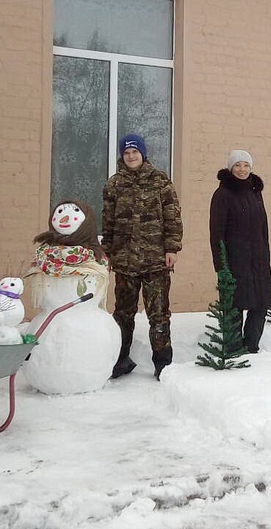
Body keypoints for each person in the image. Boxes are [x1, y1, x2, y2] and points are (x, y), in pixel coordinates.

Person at [101, 134, 183, 380]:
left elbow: (173, 217)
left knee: (158, 315)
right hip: (124, 261)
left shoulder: (160, 181)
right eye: (126, 153)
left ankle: (163, 364)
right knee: (122, 314)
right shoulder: (114, 184)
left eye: (135, 152)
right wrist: (108, 252)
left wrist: (172, 249)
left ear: (143, 154)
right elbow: (108, 222)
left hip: (155, 261)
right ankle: (120, 359)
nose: (131, 156)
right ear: (122, 156)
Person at [209, 149, 271, 353]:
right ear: (231, 168)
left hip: (258, 260)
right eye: (237, 165)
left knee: (260, 305)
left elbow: (263, 229)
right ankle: (234, 350)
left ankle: (252, 347)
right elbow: (216, 233)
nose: (242, 169)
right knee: (234, 306)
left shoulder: (255, 192)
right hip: (235, 261)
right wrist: (221, 266)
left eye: (246, 165)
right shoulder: (223, 194)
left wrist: (265, 256)